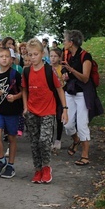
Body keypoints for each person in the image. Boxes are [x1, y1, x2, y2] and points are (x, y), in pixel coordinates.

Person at [22, 39, 68, 184]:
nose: (33, 57)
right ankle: (38, 169)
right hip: (32, 111)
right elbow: (24, 89)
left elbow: (59, 88)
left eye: (35, 54)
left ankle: (46, 167)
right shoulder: (27, 71)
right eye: (30, 54)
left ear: (42, 54)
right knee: (34, 142)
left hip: (48, 110)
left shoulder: (49, 70)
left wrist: (65, 109)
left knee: (44, 140)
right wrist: (25, 107)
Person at [62, 30, 103, 165]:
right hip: (70, 92)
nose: (63, 42)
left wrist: (71, 70)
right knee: (67, 124)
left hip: (83, 94)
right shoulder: (67, 54)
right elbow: (64, 69)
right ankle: (76, 140)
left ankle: (85, 155)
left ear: (71, 42)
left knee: (82, 124)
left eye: (65, 40)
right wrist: (65, 74)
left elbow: (85, 78)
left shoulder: (86, 56)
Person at [0, 47, 23, 180]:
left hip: (13, 112)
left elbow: (23, 92)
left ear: (11, 59)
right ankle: (1, 159)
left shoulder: (15, 74)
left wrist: (15, 97)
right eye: (1, 56)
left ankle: (11, 165)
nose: (4, 58)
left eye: (7, 56)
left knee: (11, 138)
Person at [49, 47, 66, 151]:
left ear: (60, 58)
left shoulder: (62, 68)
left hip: (60, 95)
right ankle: (50, 140)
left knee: (59, 118)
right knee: (49, 118)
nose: (53, 58)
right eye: (51, 56)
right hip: (50, 96)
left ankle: (58, 139)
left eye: (55, 56)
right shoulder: (47, 68)